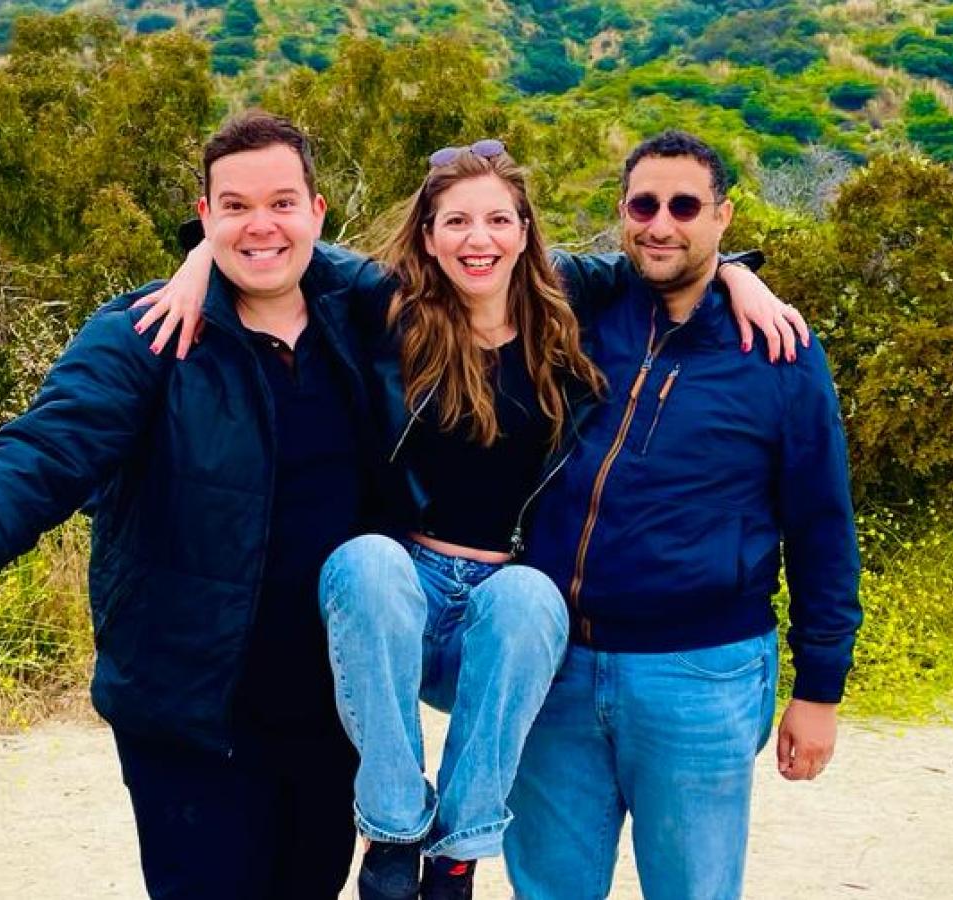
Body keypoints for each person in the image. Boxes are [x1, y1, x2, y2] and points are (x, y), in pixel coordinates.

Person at [139, 137, 806, 900]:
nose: (477, 239)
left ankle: (456, 853)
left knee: (531, 597)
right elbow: (283, 250)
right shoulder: (385, 309)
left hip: (500, 623)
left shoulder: (567, 310)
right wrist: (195, 263)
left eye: (497, 220)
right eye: (455, 222)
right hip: (399, 603)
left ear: (525, 232)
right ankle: (392, 833)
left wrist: (734, 273)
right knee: (365, 559)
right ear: (427, 236)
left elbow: (657, 258)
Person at [0, 111, 378, 900]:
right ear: (205, 218)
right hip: (189, 712)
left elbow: (487, 267)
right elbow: (39, 457)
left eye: (282, 202)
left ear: (318, 212)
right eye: (234, 207)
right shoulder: (145, 334)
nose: (261, 225)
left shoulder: (362, 318)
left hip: (330, 708)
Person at [501, 130, 862, 900]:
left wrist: (819, 689)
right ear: (622, 213)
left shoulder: (781, 351)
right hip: (555, 668)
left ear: (723, 217)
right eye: (644, 204)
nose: (661, 223)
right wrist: (202, 257)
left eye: (685, 206)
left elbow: (823, 524)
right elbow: (465, 258)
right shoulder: (586, 309)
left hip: (701, 672)